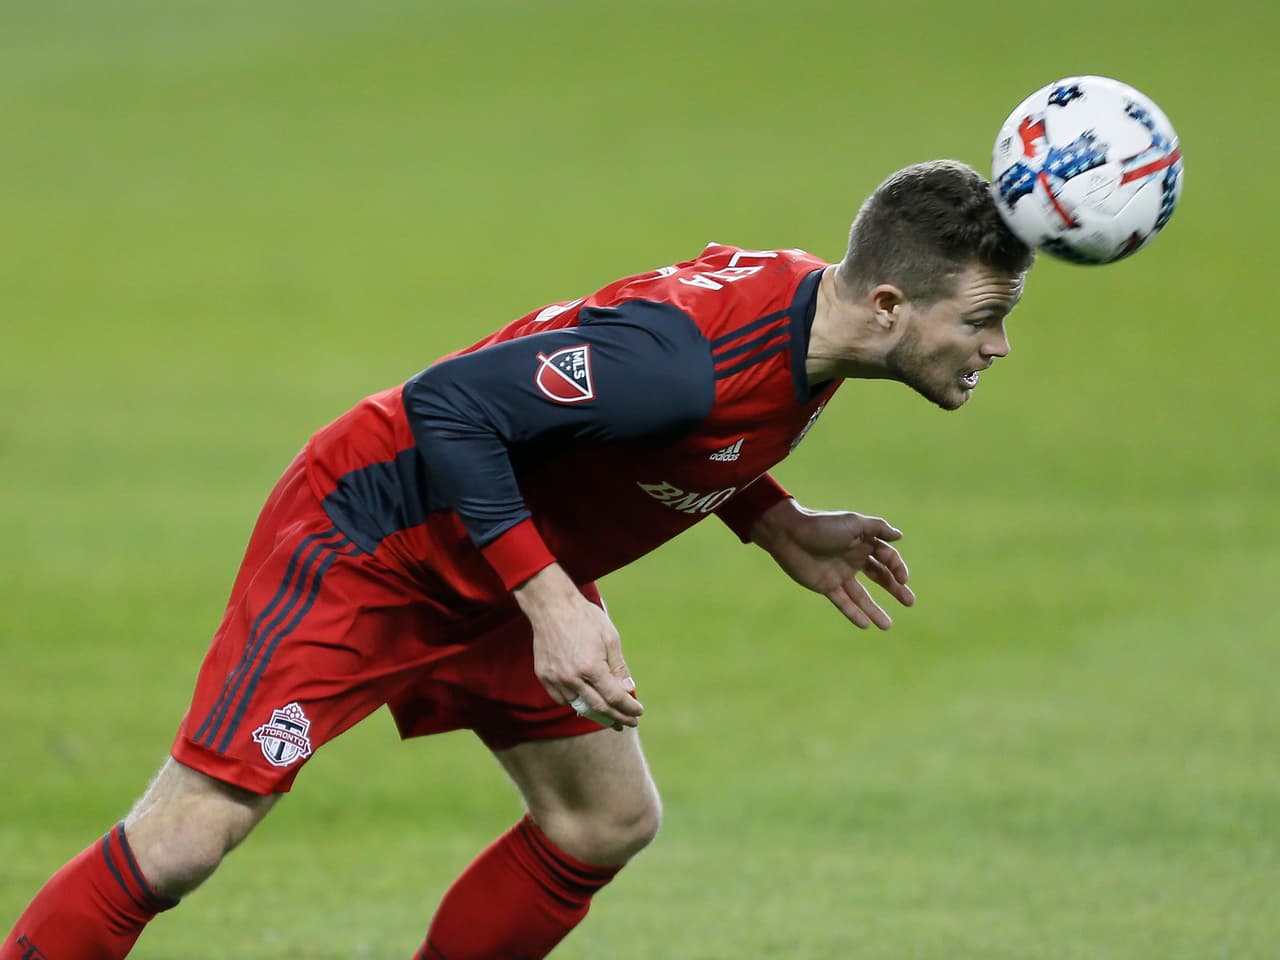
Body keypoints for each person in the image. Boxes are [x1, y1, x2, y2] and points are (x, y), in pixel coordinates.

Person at [5, 158, 1033, 959]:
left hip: (500, 554)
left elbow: (681, 429)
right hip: (372, 537)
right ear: (888, 305)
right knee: (190, 838)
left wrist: (771, 518)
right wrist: (550, 601)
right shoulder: (679, 363)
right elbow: (448, 404)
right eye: (982, 319)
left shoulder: (813, 320)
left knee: (603, 820)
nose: (996, 347)